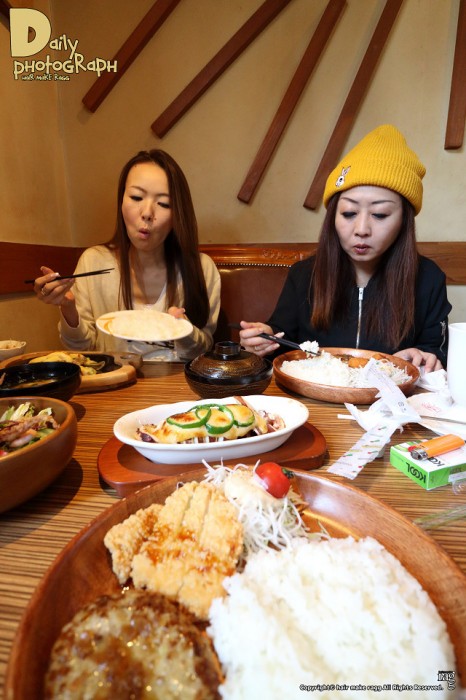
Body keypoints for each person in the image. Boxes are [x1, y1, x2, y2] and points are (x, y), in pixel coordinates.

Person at [239, 125, 451, 371]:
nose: (361, 229)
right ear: (333, 216)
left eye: (380, 214)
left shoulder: (428, 278)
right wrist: (264, 340)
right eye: (349, 213)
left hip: (389, 395)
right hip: (315, 393)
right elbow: (283, 341)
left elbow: (436, 351)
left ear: (404, 220)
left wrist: (423, 357)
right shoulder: (304, 274)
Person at [33, 149, 221, 361]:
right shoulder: (94, 261)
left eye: (164, 203)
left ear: (178, 213)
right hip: (117, 378)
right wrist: (68, 307)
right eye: (136, 197)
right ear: (121, 201)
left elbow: (203, 349)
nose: (147, 213)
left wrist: (183, 330)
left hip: (178, 380)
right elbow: (83, 347)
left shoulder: (201, 268)